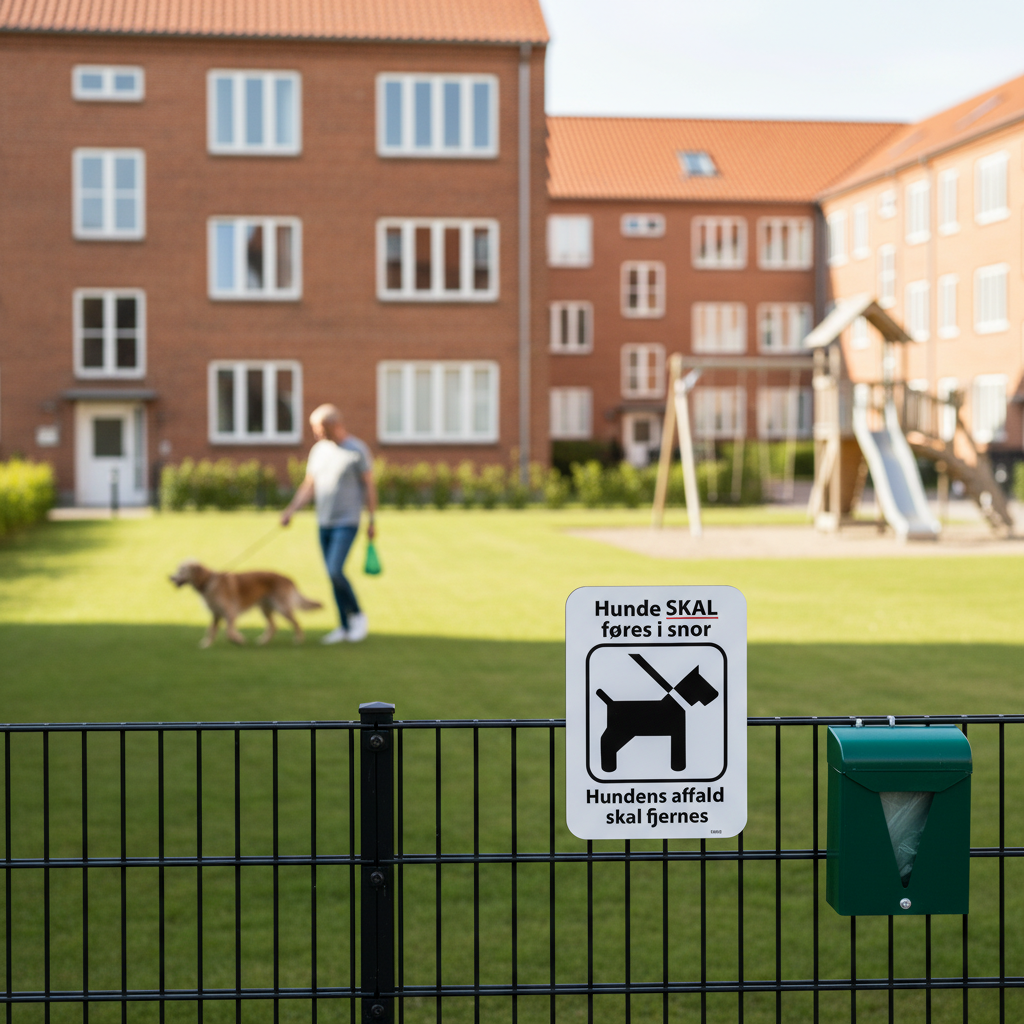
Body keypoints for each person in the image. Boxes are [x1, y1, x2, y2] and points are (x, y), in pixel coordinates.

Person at [281, 404, 377, 644]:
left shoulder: (357, 450)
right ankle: (343, 627)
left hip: (347, 521)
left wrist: (372, 519)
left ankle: (357, 616)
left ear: (335, 425)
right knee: (330, 575)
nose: (316, 434)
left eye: (319, 428)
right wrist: (291, 510)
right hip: (323, 522)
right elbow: (309, 486)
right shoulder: (318, 451)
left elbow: (369, 486)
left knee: (335, 570)